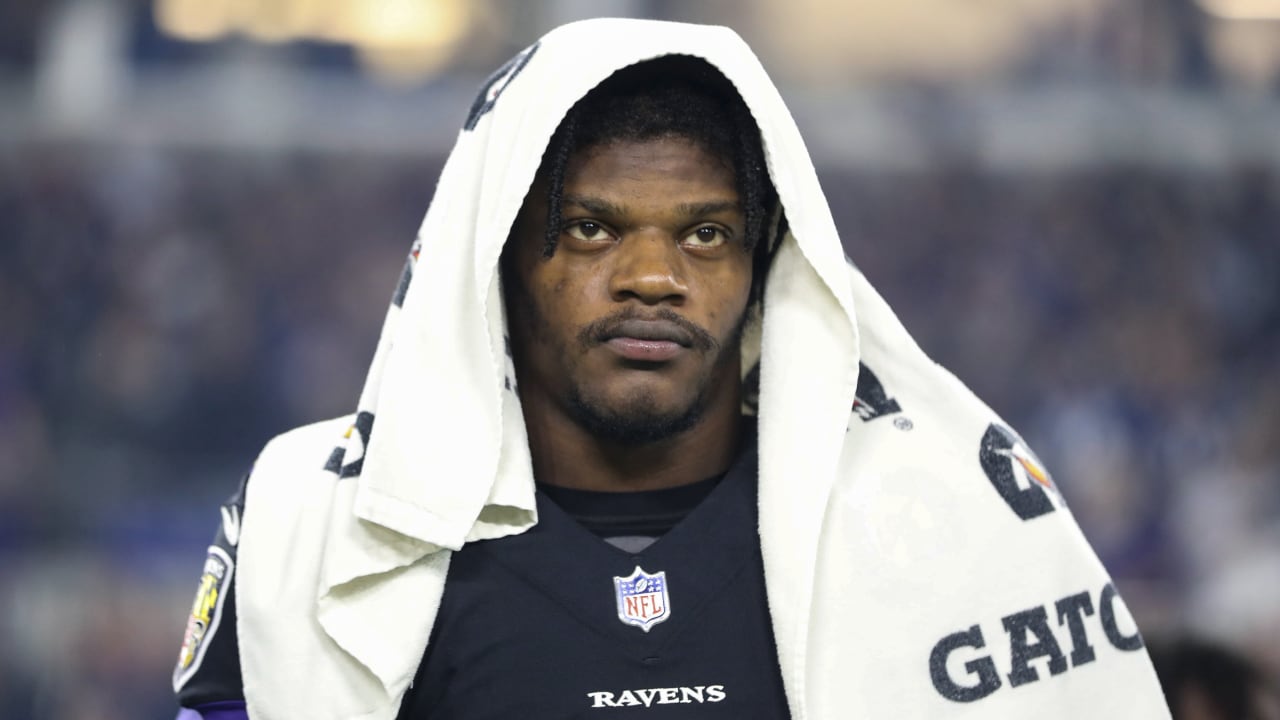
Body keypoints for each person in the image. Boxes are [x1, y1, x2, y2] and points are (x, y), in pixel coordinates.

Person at [171, 18, 1172, 719]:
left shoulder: (940, 513)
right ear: (501, 258)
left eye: (704, 233)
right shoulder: (308, 522)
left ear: (762, 264)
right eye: (590, 226)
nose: (650, 276)